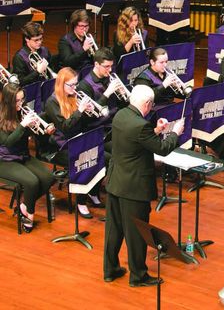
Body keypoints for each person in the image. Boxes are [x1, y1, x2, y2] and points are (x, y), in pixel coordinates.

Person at [103, 85, 184, 287]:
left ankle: (110, 270)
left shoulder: (121, 115)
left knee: (114, 230)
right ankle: (138, 275)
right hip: (134, 187)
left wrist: (156, 130)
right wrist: (175, 132)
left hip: (115, 182)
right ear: (147, 104)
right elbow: (163, 149)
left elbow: (137, 140)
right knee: (137, 233)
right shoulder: (140, 126)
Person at [44, 67, 110, 219]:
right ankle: (80, 201)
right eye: (71, 85)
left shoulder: (74, 96)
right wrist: (80, 111)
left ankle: (92, 191)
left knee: (107, 159)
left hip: (80, 138)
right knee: (87, 160)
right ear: (61, 84)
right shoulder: (52, 102)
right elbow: (65, 127)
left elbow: (83, 122)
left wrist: (88, 111)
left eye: (76, 84)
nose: (75, 88)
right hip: (62, 145)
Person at [0, 83, 55, 232]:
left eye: (22, 100)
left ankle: (24, 206)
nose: (20, 104)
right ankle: (29, 216)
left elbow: (30, 135)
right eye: (17, 101)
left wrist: (41, 129)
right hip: (5, 160)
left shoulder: (23, 111)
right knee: (32, 182)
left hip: (22, 155)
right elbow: (7, 142)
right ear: (8, 101)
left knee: (49, 177)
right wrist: (23, 126)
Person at [77, 48, 126, 132]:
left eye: (111, 66)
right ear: (96, 64)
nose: (110, 70)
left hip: (115, 119)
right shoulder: (84, 86)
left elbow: (119, 105)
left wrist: (122, 94)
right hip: (100, 127)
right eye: (107, 66)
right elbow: (90, 116)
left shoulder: (110, 77)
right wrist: (107, 93)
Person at [12, 22, 54, 86]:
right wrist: (37, 72)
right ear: (27, 39)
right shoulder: (19, 57)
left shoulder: (45, 51)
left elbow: (51, 69)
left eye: (41, 39)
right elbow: (20, 82)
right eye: (36, 40)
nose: (39, 42)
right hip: (30, 89)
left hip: (46, 85)